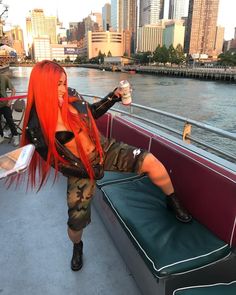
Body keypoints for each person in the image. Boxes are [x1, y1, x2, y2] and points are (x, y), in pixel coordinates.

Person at [20, 60, 191, 272]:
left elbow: (91, 112)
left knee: (152, 162)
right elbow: (56, 163)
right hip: (79, 168)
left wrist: (114, 96)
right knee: (76, 224)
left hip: (104, 148)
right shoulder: (36, 126)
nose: (63, 90)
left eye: (64, 83)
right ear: (42, 86)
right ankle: (77, 246)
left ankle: (171, 200)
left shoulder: (71, 97)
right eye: (57, 85)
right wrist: (87, 171)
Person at [0, 74, 19, 146]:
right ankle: (1, 136)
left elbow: (13, 90)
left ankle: (15, 136)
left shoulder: (4, 78)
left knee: (9, 120)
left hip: (5, 104)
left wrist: (10, 101)